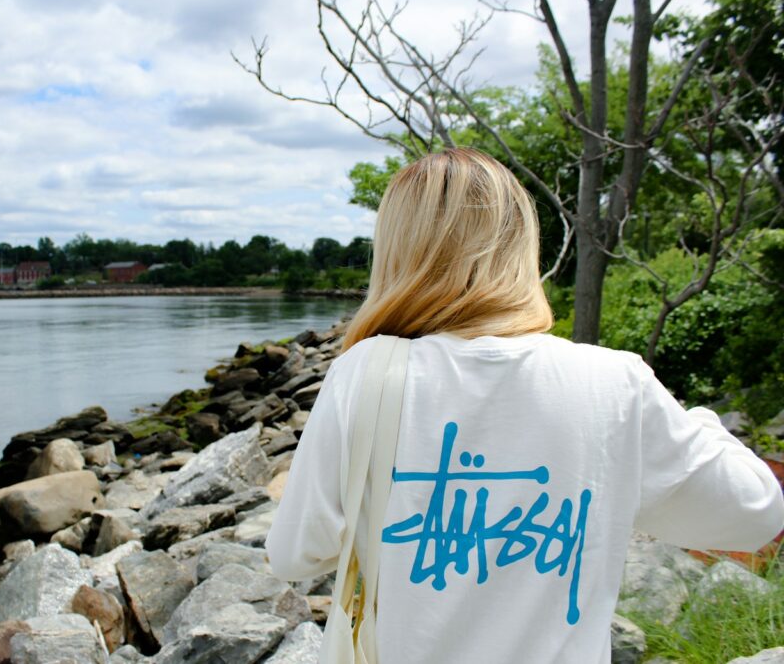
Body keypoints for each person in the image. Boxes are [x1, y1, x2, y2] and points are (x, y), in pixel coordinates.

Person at [264, 148, 784, 663]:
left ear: (396, 253)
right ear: (520, 245)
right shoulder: (615, 382)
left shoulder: (365, 372)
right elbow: (757, 513)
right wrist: (697, 421)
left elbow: (294, 554)